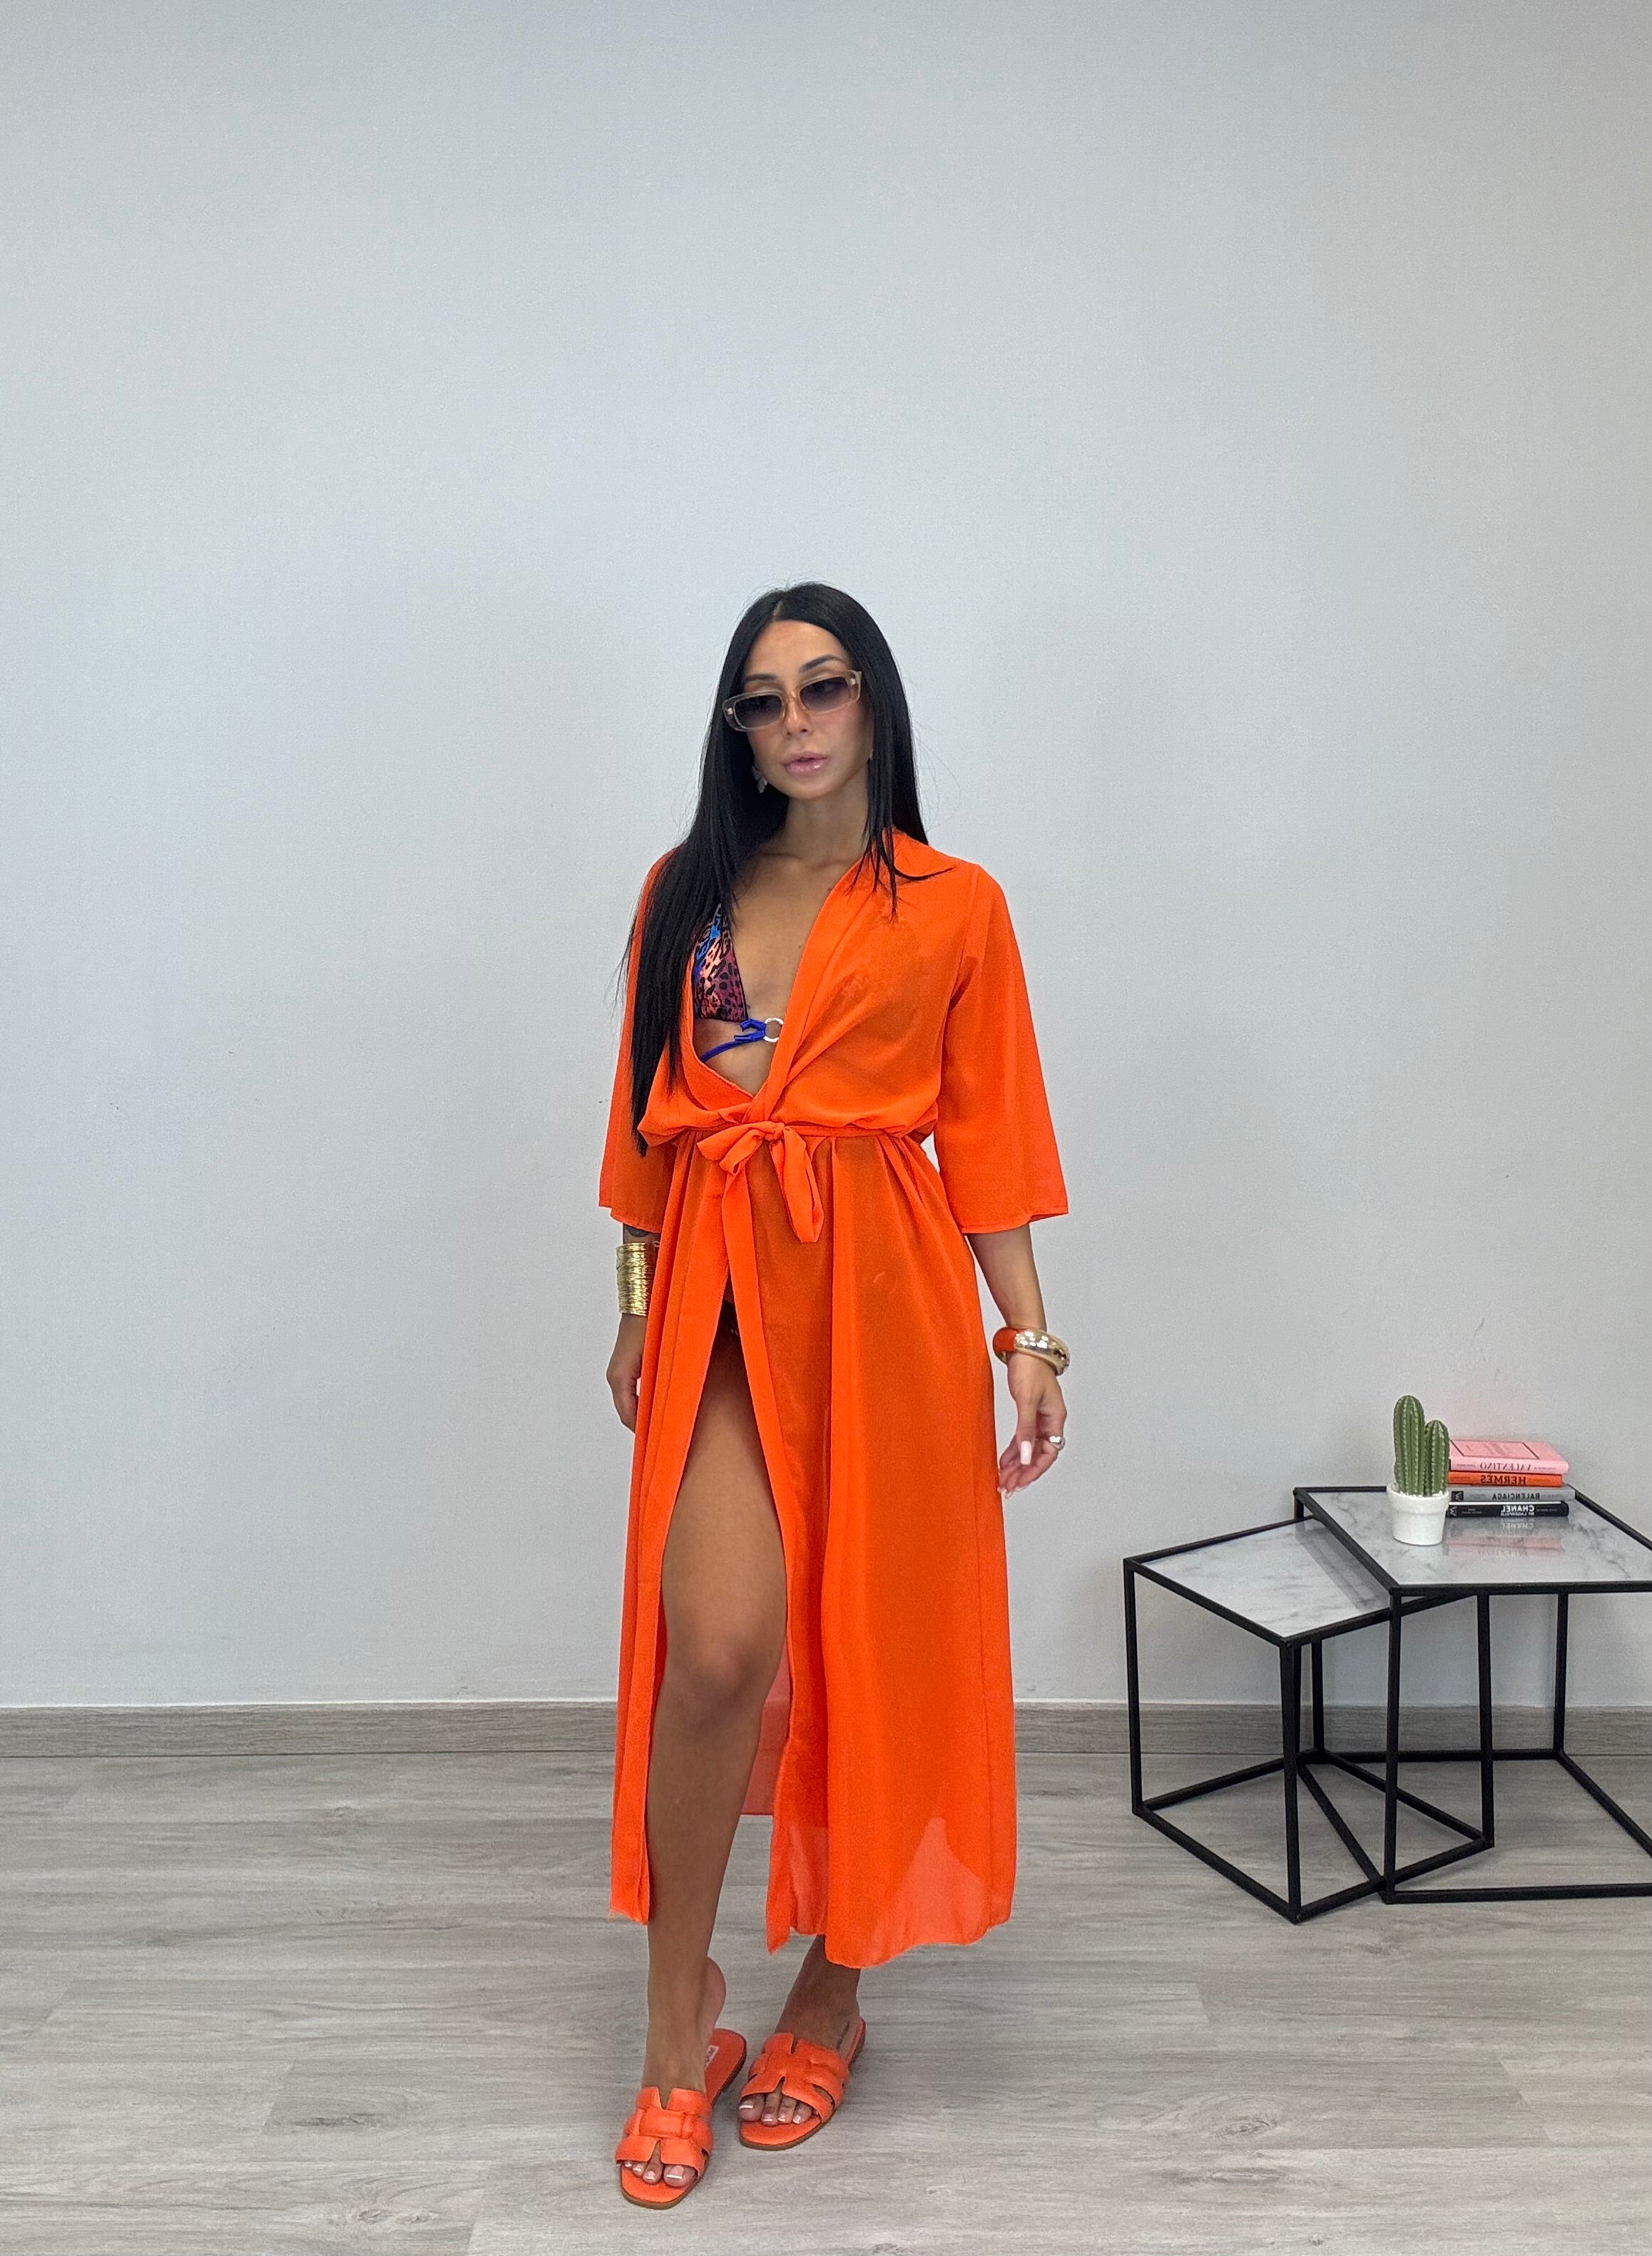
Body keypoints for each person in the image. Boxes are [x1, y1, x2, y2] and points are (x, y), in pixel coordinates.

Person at [598, 583, 1070, 2208]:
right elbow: (643, 1128)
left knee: (876, 1648)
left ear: (874, 704)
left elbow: (990, 1142)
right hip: (722, 1293)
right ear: (737, 730)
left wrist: (1029, 1339)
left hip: (886, 1304)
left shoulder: (952, 904)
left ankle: (831, 1990)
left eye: (824, 688)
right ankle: (678, 2022)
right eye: (763, 699)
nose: (794, 722)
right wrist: (633, 1308)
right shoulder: (688, 892)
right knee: (719, 1648)